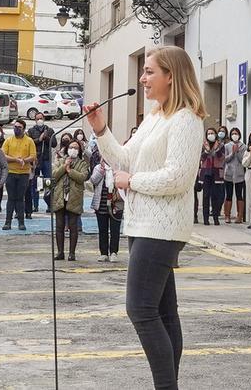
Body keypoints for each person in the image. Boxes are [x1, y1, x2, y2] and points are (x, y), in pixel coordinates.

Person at [85, 45, 204, 389]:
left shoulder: (186, 118)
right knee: (164, 313)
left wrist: (132, 182)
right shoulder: (154, 117)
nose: (143, 78)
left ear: (172, 76)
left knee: (140, 310)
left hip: (163, 227)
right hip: (143, 223)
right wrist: (100, 130)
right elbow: (123, 160)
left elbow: (179, 177)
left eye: (150, 71)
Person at [50, 135, 88, 262]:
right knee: (59, 226)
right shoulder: (61, 161)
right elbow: (54, 175)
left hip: (74, 197)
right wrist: (64, 167)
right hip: (60, 196)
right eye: (71, 147)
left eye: (76, 148)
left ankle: (72, 253)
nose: (73, 149)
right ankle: (60, 252)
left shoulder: (82, 163)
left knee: (73, 226)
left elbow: (83, 177)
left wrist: (70, 171)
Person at [1, 119, 36, 231]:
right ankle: (8, 222)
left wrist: (24, 160)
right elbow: (3, 155)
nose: (16, 129)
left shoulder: (29, 141)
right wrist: (15, 160)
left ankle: (21, 222)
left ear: (23, 129)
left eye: (19, 127)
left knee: (20, 198)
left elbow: (33, 156)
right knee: (11, 198)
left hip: (24, 174)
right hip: (11, 173)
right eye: (15, 127)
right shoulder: (8, 140)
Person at [89, 155, 123, 262]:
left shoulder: (119, 169)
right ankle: (103, 252)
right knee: (102, 229)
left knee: (115, 229)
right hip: (101, 203)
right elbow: (93, 181)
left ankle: (114, 252)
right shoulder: (98, 168)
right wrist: (102, 171)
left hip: (115, 204)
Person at [222, 127, 245, 224]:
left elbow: (243, 160)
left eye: (236, 133)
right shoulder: (227, 146)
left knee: (239, 195)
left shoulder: (243, 146)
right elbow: (225, 159)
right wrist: (232, 153)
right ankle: (227, 215)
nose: (235, 135)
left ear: (239, 135)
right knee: (229, 195)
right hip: (229, 174)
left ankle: (239, 216)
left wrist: (238, 152)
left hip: (239, 174)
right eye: (233, 133)